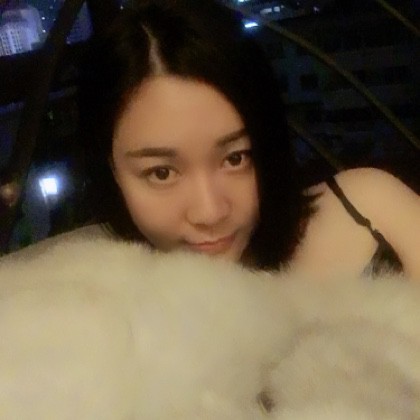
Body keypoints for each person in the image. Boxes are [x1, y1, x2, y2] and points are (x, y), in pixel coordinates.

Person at [9, 0, 420, 281]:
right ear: (111, 170)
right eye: (162, 172)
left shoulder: (365, 208)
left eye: (235, 158)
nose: (209, 212)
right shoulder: (108, 315)